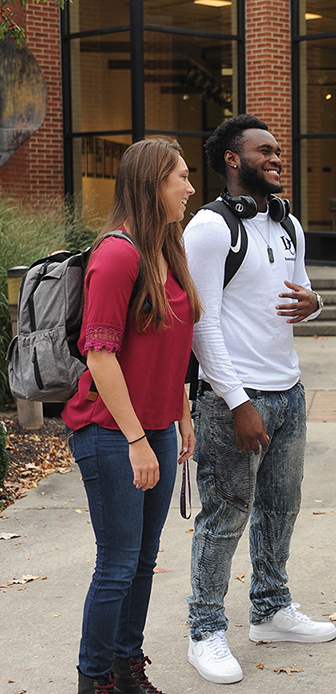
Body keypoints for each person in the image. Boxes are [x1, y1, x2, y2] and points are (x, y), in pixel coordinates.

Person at [184, 114, 335, 685]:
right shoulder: (209, 229)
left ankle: (271, 610)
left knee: (281, 507)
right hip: (234, 400)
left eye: (278, 151)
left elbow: (302, 291)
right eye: (264, 151)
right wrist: (236, 398)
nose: (276, 158)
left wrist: (314, 303)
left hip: (288, 390)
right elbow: (203, 323)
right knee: (224, 515)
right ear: (231, 158)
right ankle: (205, 631)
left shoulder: (287, 221)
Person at [63, 137, 201, 694]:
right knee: (117, 565)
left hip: (158, 428)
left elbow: (171, 345)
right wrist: (137, 439)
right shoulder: (117, 255)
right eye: (181, 179)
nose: (191, 189)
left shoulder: (170, 248)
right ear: (153, 185)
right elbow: (100, 354)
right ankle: (94, 680)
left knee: (143, 561)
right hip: (111, 433)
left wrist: (182, 412)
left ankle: (126, 666)